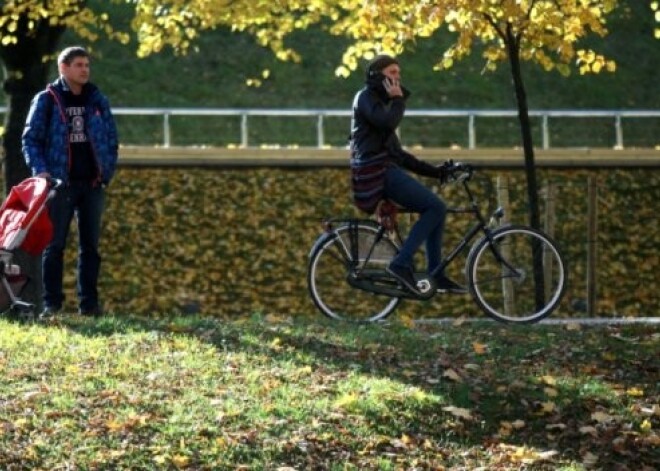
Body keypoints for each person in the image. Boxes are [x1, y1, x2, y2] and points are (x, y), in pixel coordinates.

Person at [349, 54, 465, 294]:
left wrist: (438, 172)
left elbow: (400, 156)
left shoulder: (381, 104)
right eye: (392, 74)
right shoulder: (366, 98)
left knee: (437, 210)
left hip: (385, 169)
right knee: (435, 208)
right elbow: (387, 122)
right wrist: (399, 100)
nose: (397, 79)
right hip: (377, 172)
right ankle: (400, 265)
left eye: (399, 75)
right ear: (377, 76)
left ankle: (435, 273)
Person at [22, 46, 119, 317]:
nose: (85, 69)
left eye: (87, 64)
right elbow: (30, 140)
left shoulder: (97, 100)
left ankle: (89, 306)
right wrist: (40, 171)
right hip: (59, 185)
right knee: (54, 247)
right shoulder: (47, 100)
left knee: (91, 247)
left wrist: (106, 171)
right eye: (78, 65)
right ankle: (52, 305)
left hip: (91, 184)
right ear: (63, 69)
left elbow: (111, 139)